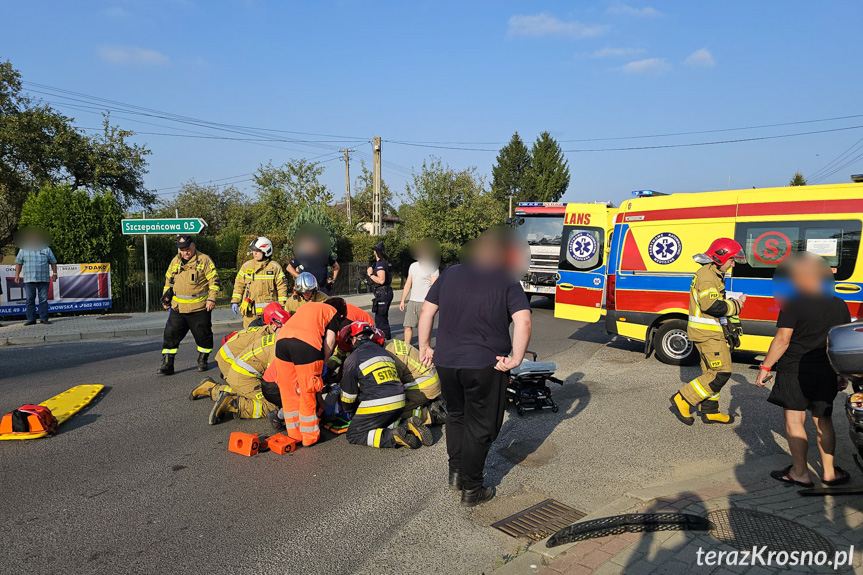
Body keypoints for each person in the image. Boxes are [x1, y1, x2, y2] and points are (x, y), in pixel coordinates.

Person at [418, 228, 532, 507]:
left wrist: (424, 346)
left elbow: (426, 311)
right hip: (486, 365)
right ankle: (472, 487)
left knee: (457, 416)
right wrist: (516, 359)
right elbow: (524, 321)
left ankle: (456, 474)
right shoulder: (506, 280)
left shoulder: (450, 274)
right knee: (481, 425)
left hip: (447, 362)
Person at [756, 252, 851, 487]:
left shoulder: (794, 302)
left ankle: (800, 473)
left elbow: (782, 339)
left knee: (795, 420)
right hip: (826, 369)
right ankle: (829, 473)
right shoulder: (840, 304)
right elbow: (840, 342)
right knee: (823, 420)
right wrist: (840, 373)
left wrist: (765, 367)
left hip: (795, 369)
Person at [670, 238, 747, 425]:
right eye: (731, 260)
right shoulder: (707, 275)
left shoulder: (712, 273)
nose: (733, 264)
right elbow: (710, 305)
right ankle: (683, 398)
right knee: (721, 373)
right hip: (708, 334)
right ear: (720, 258)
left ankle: (711, 411)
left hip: (709, 332)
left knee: (711, 373)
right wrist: (737, 305)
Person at [190, 302, 289, 424]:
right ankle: (234, 404)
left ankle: (210, 388)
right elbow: (271, 378)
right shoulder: (267, 340)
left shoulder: (264, 330)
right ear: (274, 326)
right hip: (230, 362)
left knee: (243, 388)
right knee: (271, 404)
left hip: (235, 363)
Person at [339, 321, 433, 449]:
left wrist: (349, 411)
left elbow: (349, 395)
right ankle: (407, 425)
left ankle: (394, 436)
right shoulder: (383, 351)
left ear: (353, 338)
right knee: (381, 421)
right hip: (400, 400)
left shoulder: (353, 359)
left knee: (355, 434)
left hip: (380, 403)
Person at [272, 298, 347, 447]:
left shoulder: (307, 307)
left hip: (282, 343)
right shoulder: (332, 312)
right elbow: (330, 341)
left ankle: (294, 434)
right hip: (306, 346)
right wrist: (324, 362)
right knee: (308, 391)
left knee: (289, 392)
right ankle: (309, 437)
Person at [156, 235, 221, 376]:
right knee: (170, 335)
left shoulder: (204, 260)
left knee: (203, 336)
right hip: (178, 307)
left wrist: (212, 299)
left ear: (193, 245)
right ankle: (168, 364)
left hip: (199, 308)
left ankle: (203, 360)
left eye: (187, 248)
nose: (185, 252)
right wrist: (165, 299)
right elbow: (168, 281)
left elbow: (214, 282)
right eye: (182, 249)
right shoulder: (175, 261)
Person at [377, 330, 446, 426]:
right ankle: (426, 402)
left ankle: (431, 415)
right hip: (430, 380)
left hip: (425, 386)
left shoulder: (388, 357)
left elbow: (393, 388)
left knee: (391, 411)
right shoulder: (390, 344)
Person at [231, 237, 289, 327]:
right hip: (250, 313)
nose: (254, 253)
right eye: (253, 251)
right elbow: (239, 284)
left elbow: (282, 287)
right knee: (249, 337)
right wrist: (235, 301)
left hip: (269, 313)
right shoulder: (247, 266)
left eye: (257, 251)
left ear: (266, 251)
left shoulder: (274, 267)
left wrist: (282, 306)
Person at [13, 229, 58, 326]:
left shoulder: (46, 249)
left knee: (43, 300)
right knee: (29, 300)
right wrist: (16, 275)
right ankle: (31, 319)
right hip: (29, 279)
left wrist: (55, 273)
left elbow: (53, 262)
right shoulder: (23, 250)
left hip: (43, 279)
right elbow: (18, 263)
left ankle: (44, 318)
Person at [399, 240, 440, 345]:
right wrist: (403, 300)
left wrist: (431, 303)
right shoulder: (413, 266)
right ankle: (407, 349)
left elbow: (434, 287)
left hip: (425, 302)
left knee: (424, 329)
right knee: (407, 326)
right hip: (413, 301)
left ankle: (424, 352)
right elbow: (408, 284)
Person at [367, 241, 393, 339]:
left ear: (375, 252)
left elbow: (381, 280)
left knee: (380, 319)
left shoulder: (380, 263)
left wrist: (370, 274)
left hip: (383, 293)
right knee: (382, 318)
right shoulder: (385, 262)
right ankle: (385, 339)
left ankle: (384, 340)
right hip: (385, 292)